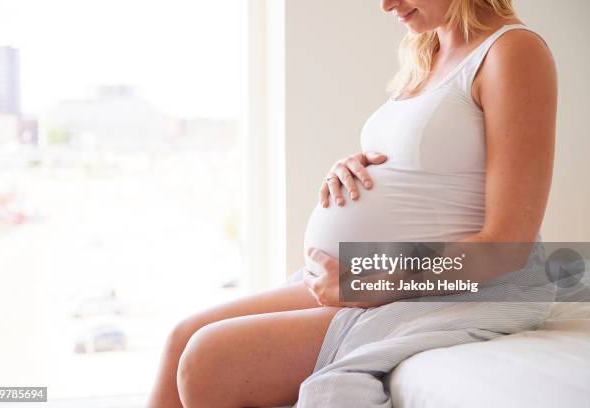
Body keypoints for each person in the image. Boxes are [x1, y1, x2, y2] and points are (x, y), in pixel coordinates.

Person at [147, 1, 557, 406]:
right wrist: (354, 166)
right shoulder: (429, 51)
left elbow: (508, 246)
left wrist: (368, 282)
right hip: (361, 269)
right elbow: (432, 167)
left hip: (454, 284)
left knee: (209, 359)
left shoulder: (513, 51)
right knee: (182, 336)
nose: (386, 5)